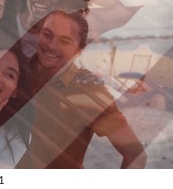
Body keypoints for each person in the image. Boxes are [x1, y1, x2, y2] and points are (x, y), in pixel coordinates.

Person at [16, 10, 147, 168]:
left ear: (79, 50)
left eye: (65, 41)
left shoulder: (89, 91)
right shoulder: (14, 71)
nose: (51, 45)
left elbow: (136, 155)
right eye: (47, 34)